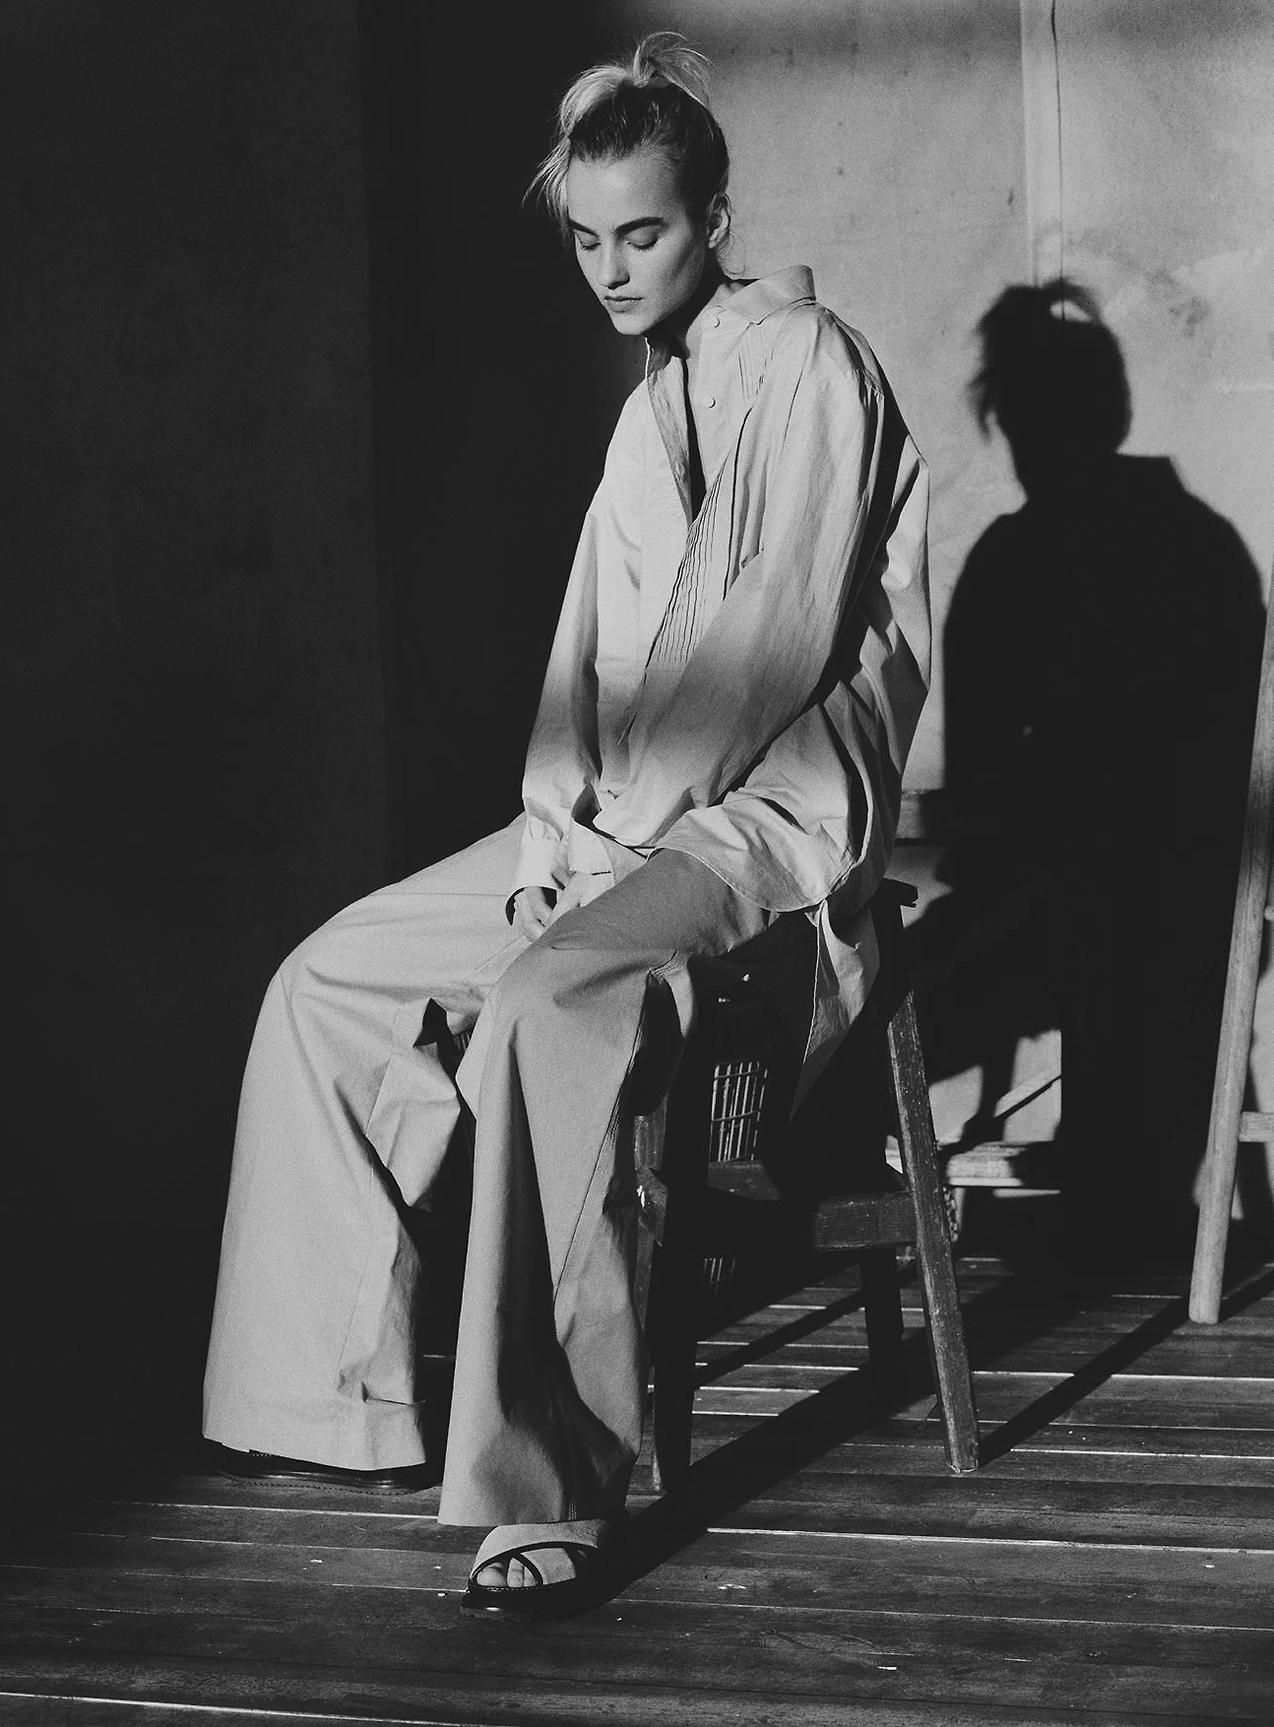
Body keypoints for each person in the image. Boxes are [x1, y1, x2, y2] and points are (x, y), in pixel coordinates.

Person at [202, 32, 931, 1616]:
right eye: (589, 239)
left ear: (713, 217)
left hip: (760, 828)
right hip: (610, 829)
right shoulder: (645, 414)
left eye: (643, 233)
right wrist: (550, 847)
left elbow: (763, 657)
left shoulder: (810, 363)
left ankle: (547, 1483)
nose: (611, 268)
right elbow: (579, 679)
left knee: (549, 998)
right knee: (326, 983)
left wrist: (599, 862)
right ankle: (330, 1402)